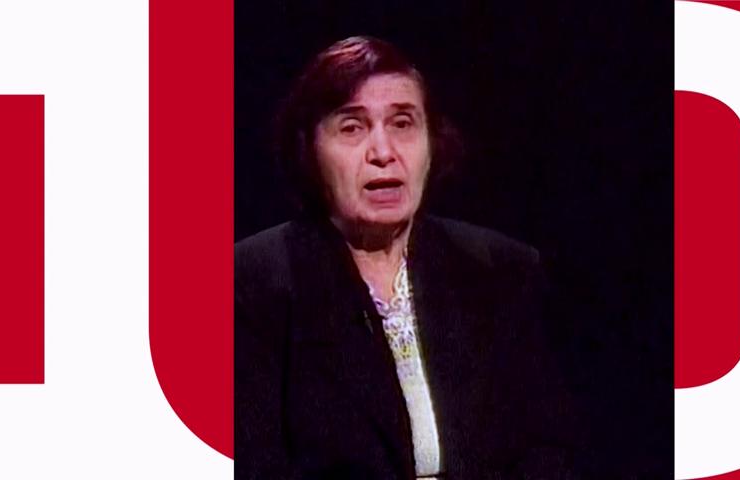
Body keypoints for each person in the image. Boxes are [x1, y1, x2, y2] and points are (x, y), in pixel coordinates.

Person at [235, 36, 580, 479]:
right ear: (309, 151)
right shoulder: (252, 285)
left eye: (402, 123)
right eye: (352, 128)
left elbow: (546, 448)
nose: (383, 153)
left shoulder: (502, 271)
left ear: (432, 143)